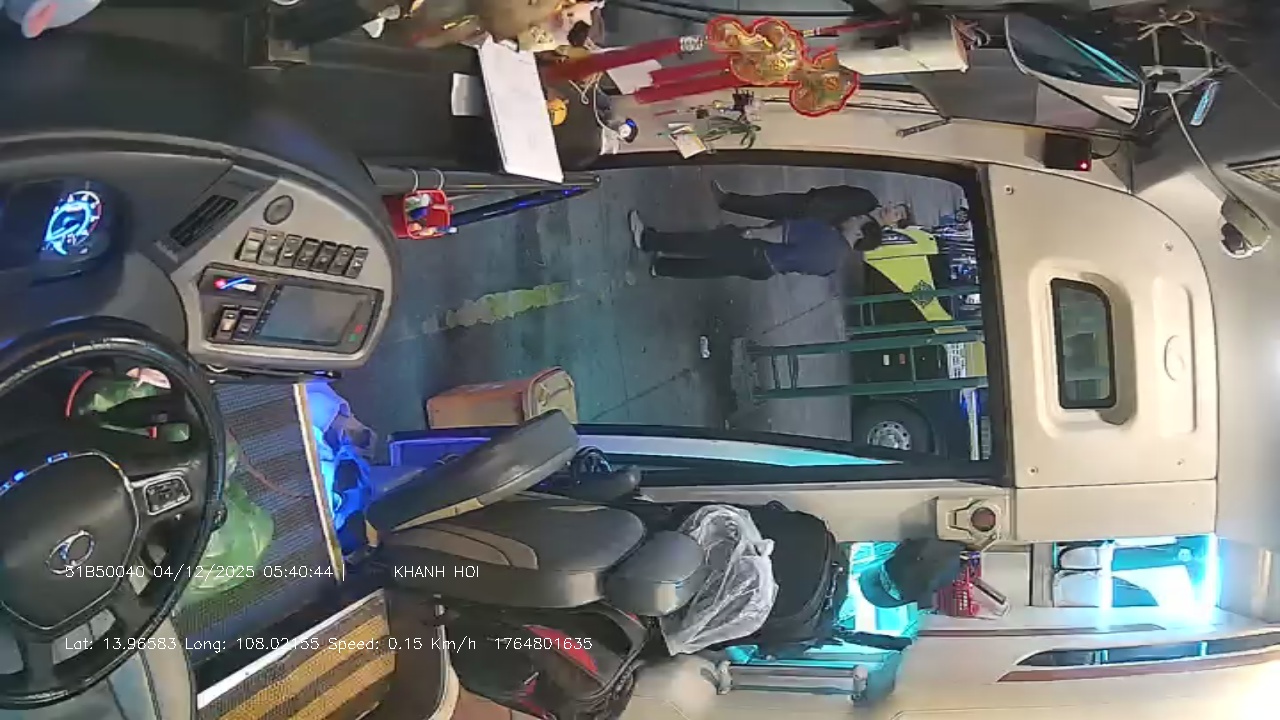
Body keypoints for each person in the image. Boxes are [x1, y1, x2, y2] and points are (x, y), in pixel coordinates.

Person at [629, 205, 900, 280]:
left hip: (758, 248)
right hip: (766, 269)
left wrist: (751, 233)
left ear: (860, 233)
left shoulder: (826, 234)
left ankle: (649, 240)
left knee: (703, 243)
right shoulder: (835, 263)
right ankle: (663, 268)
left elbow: (782, 234)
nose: (852, 217)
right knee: (711, 268)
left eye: (857, 220)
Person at [710, 180, 887, 227]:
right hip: (809, 204)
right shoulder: (867, 198)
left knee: (770, 231)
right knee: (768, 204)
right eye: (897, 209)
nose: (892, 211)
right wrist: (818, 195)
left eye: (898, 215)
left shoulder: (870, 230)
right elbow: (842, 190)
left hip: (812, 225)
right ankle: (728, 201)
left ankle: (726, 236)